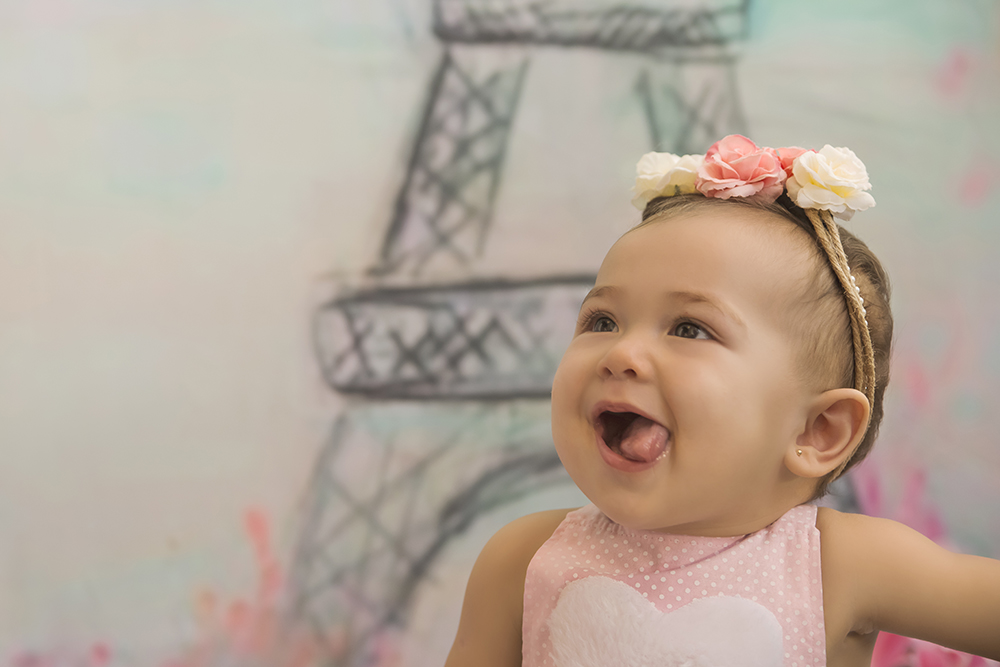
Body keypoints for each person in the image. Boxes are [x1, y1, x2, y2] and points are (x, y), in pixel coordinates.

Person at [443, 135, 1000, 666]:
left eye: (689, 329)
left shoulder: (845, 564)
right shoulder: (522, 559)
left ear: (818, 431)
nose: (622, 354)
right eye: (603, 320)